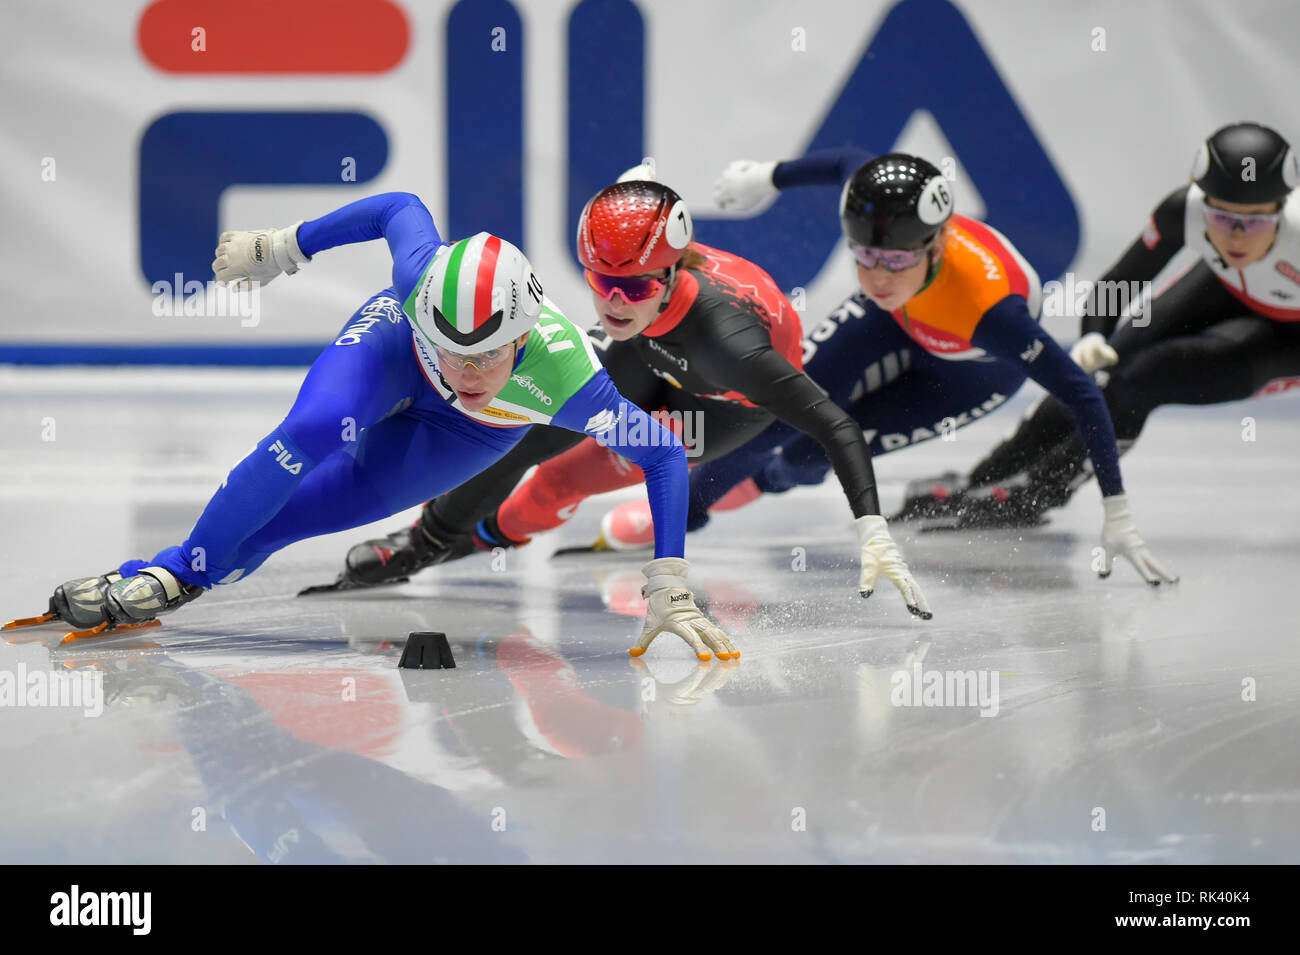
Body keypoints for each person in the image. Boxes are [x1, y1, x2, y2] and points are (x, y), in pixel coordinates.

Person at [7, 192, 735, 661]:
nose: (466, 371)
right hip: (392, 352)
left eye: (487, 354)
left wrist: (667, 584)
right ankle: (177, 571)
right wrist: (282, 247)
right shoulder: (419, 278)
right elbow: (398, 207)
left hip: (472, 436)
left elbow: (667, 456)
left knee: (289, 519)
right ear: (428, 309)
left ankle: (175, 569)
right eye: (453, 346)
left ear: (523, 338)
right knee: (310, 434)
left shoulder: (568, 376)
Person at [326, 175, 934, 616]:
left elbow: (836, 425)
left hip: (721, 407)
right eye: (601, 281)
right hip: (652, 348)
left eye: (635, 285)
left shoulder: (732, 345)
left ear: (671, 273)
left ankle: (482, 540)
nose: (615, 302)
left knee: (565, 478)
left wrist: (871, 525)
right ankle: (423, 543)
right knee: (527, 430)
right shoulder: (640, 305)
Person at [626, 149, 1171, 584]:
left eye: (896, 259)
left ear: (937, 243)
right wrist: (771, 175)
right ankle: (684, 511)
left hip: (968, 372)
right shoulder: (878, 217)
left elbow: (1084, 396)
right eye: (863, 256)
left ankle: (763, 479)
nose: (878, 276)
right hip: (892, 322)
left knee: (807, 457)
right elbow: (847, 164)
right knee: (782, 409)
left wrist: (1116, 510)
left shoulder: (993, 311)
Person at [902, 122, 1300, 527]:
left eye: (1254, 223)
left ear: (1282, 209)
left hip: (1289, 337)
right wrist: (1093, 334)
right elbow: (1118, 283)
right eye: (1220, 217)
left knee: (1142, 380)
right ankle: (985, 478)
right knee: (1093, 373)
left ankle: (1040, 492)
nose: (1235, 237)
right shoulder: (1186, 210)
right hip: (1227, 288)